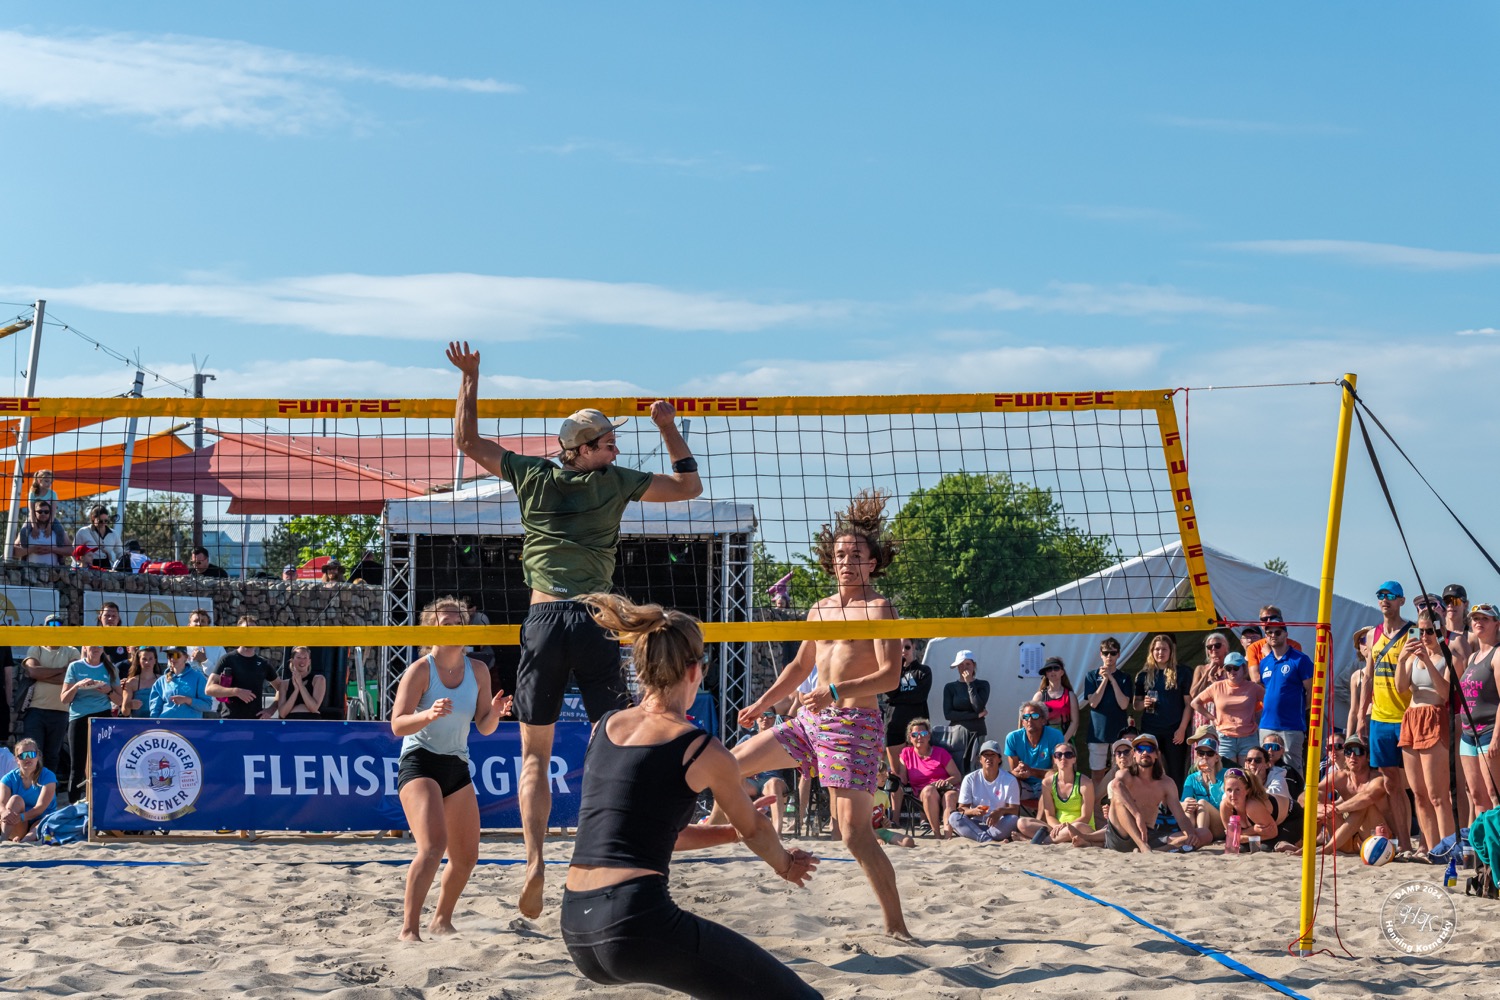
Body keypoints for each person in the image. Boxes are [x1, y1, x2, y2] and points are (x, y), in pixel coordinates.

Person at [449, 340, 702, 920]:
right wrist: (668, 427)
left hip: (543, 623)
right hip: (595, 620)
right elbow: (689, 487)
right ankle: (602, 850)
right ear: (584, 450)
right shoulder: (614, 480)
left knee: (533, 758)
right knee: (610, 746)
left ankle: (535, 857)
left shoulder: (533, 474)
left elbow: (466, 442)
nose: (616, 448)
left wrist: (470, 378)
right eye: (608, 442)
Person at [561, 593, 820, 998]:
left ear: (640, 668)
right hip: (633, 920)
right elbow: (755, 831)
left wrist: (728, 833)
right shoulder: (701, 748)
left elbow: (661, 835)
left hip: (576, 924)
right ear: (696, 670)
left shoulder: (605, 726)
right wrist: (785, 864)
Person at [720, 490, 909, 940]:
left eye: (856, 556)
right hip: (812, 720)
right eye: (840, 555)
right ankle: (719, 836)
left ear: (873, 563)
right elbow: (799, 667)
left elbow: (890, 677)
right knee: (729, 764)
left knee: (854, 835)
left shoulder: (879, 607)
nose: (846, 562)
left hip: (853, 726)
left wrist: (835, 691)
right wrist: (762, 703)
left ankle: (897, 926)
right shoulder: (820, 608)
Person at [391, 597, 512, 942]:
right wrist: (427, 715)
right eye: (447, 624)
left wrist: (495, 713)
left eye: (460, 622)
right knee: (432, 847)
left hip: (456, 764)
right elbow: (397, 725)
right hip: (420, 761)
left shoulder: (478, 670)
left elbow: (484, 727)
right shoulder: (421, 670)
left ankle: (441, 921)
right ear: (432, 629)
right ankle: (409, 930)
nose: (456, 628)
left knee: (466, 857)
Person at [1357, 580, 1415, 853]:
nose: (1385, 599)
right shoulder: (1373, 635)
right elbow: (1368, 676)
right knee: (1391, 783)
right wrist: (1361, 715)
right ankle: (1404, 842)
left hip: (1406, 714)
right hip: (1380, 717)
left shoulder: (1412, 632)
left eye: (1391, 595)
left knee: (1417, 786)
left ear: (1401, 600)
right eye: (1380, 594)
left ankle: (1428, 842)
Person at [1396, 608, 1455, 859]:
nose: (1424, 636)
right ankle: (1432, 849)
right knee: (1418, 794)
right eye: (1420, 631)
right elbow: (1400, 688)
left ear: (1440, 632)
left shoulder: (1447, 657)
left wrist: (1428, 661)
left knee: (1437, 794)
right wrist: (1402, 659)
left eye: (1430, 631)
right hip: (1411, 717)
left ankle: (1448, 849)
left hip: (1434, 716)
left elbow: (1445, 693)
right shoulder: (1412, 658)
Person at [1105, 734, 1208, 853]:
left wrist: (1190, 834)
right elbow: (1115, 785)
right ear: (1134, 754)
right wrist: (1137, 815)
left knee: (1203, 834)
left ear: (1156, 755)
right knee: (1118, 798)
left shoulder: (1166, 783)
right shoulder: (1126, 775)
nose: (1144, 752)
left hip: (1148, 834)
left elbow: (1180, 816)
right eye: (1140, 749)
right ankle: (1143, 847)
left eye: (1149, 749)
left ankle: (1157, 849)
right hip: (1121, 835)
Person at [1254, 613, 1315, 777]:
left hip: (1291, 725)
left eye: (1278, 632)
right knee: (1264, 768)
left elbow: (1312, 691)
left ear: (1286, 634)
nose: (1273, 635)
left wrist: (1301, 709)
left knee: (1292, 770)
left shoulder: (1300, 659)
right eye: (1269, 632)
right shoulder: (1264, 662)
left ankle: (1296, 795)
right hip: (1267, 723)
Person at [20, 620, 78, 778]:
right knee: (32, 752)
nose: (54, 629)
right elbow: (33, 672)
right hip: (35, 710)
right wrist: (61, 670)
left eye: (58, 626)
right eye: (50, 626)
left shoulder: (72, 651)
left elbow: (70, 677)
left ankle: (48, 787)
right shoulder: (36, 648)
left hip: (60, 711)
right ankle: (31, 785)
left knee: (52, 755)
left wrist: (42, 674)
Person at [60, 645, 119, 802]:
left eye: (99, 645)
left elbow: (120, 701)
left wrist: (108, 691)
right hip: (79, 717)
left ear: (103, 648)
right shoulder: (75, 666)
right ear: (85, 647)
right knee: (77, 766)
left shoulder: (111, 668)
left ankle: (99, 805)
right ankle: (73, 806)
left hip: (103, 718)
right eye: (92, 644)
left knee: (102, 765)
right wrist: (77, 686)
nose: (95, 648)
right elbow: (64, 699)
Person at [1018, 741, 1103, 847]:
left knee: (1078, 827)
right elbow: (1049, 815)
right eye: (1058, 755)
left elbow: (1086, 817)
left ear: (1074, 759)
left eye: (1068, 755)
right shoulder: (1047, 783)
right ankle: (1056, 838)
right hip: (1056, 828)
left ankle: (1040, 839)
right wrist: (1058, 826)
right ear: (1054, 759)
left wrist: (1066, 826)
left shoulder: (1085, 783)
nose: (1063, 758)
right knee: (1022, 822)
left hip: (1080, 827)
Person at [1459, 602, 1500, 819]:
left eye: (1485, 618)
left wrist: (1496, 738)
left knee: (1495, 794)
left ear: (1496, 623)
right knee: (1476, 795)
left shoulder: (1497, 655)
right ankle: (1483, 839)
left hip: (1488, 731)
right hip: (1468, 734)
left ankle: (1496, 838)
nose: (1478, 622)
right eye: (1475, 618)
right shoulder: (1472, 657)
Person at [1133, 633, 1191, 785]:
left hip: (1174, 731)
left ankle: (1175, 800)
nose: (1160, 652)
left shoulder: (1182, 673)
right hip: (1150, 730)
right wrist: (1143, 703)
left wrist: (1182, 729)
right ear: (1151, 651)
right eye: (1157, 649)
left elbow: (1188, 704)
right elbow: (1136, 705)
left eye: (1164, 649)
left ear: (1171, 651)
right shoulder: (1143, 675)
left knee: (1175, 772)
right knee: (1149, 769)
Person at [883, 638, 933, 810]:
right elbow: (889, 692)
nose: (903, 651)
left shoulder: (923, 671)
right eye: (899, 648)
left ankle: (924, 815)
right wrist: (897, 667)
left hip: (917, 729)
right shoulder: (892, 672)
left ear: (914, 647)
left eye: (906, 647)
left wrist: (896, 699)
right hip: (895, 727)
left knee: (922, 773)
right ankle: (896, 817)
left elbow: (920, 696)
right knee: (896, 775)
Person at [1188, 651, 1262, 764]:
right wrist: (1212, 718)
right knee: (1226, 772)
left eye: (1235, 668)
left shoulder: (1253, 687)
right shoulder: (1217, 686)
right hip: (1224, 737)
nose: (1232, 671)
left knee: (1249, 772)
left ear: (1244, 668)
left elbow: (1271, 702)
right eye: (1228, 668)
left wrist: (1261, 717)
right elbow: (1195, 703)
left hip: (1249, 737)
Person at [896, 717, 962, 839]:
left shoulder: (940, 753)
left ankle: (948, 836)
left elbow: (957, 776)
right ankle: (937, 835)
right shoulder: (906, 753)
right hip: (925, 794)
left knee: (949, 796)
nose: (919, 737)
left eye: (923, 733)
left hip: (946, 787)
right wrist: (894, 775)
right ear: (910, 738)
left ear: (929, 736)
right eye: (914, 734)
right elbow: (903, 779)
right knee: (928, 791)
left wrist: (945, 781)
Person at [947, 739, 1021, 843]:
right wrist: (973, 811)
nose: (989, 758)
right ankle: (989, 840)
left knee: (1013, 819)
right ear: (980, 759)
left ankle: (980, 837)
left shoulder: (1010, 780)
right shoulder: (970, 778)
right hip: (975, 824)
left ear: (999, 759)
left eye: (993, 755)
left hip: (998, 825)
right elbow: (961, 809)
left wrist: (1000, 812)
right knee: (954, 817)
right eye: (986, 755)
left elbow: (1015, 810)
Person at [206, 617, 277, 720]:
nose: (249, 634)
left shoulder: (263, 663)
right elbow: (209, 688)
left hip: (255, 721)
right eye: (246, 631)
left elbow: (281, 687)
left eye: (253, 631)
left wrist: (271, 710)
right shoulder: (227, 659)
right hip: (230, 721)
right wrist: (236, 691)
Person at [1081, 638, 1132, 775]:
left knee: (1120, 772)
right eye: (1106, 653)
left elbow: (1123, 704)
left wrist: (1112, 679)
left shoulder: (1124, 677)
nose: (1109, 656)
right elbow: (1093, 703)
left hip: (1119, 732)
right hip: (1098, 733)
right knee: (1097, 773)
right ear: (1101, 654)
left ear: (1118, 654)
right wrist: (1104, 680)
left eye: (1113, 653)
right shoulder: (1091, 676)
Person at [1003, 699, 1066, 807]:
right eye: (1026, 717)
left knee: (1056, 780)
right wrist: (1020, 771)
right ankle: (1010, 815)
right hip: (1024, 785)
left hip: (1047, 783)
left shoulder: (1055, 736)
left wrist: (1031, 771)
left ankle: (1047, 817)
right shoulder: (1012, 738)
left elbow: (1058, 772)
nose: (1030, 720)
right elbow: (1014, 772)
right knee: (1006, 781)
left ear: (1044, 720)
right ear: (1022, 722)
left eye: (1035, 716)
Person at [1, 738, 57, 841]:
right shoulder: (8, 778)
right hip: (17, 823)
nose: (27, 758)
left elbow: (40, 808)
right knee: (15, 800)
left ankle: (22, 841)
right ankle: (3, 840)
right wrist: (4, 812)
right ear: (17, 760)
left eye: (31, 754)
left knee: (41, 826)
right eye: (22, 755)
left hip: (41, 819)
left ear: (38, 756)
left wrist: (21, 817)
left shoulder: (48, 776)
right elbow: (1, 803)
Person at [942, 649, 989, 768]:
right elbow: (948, 714)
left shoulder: (983, 685)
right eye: (961, 665)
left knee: (975, 767)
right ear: (957, 667)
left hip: (977, 732)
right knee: (958, 767)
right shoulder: (950, 687)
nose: (964, 667)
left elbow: (978, 707)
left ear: (974, 665)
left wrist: (969, 683)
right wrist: (974, 716)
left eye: (968, 664)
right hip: (956, 734)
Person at [1219, 767, 1279, 851]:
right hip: (1266, 830)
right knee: (1241, 848)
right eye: (1229, 790)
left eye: (1237, 790)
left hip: (1289, 819)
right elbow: (1232, 837)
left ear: (1247, 790)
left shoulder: (1252, 806)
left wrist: (1245, 838)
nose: (1233, 795)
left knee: (1265, 848)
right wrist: (1254, 830)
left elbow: (1273, 833)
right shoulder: (1225, 806)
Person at [1180, 738, 1227, 842]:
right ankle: (1189, 836)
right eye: (1201, 753)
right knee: (1189, 801)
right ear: (1197, 756)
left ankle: (1200, 837)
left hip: (1220, 824)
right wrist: (1185, 804)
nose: (1205, 757)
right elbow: (1182, 803)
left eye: (1210, 753)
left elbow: (1222, 804)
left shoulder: (1226, 775)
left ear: (1216, 758)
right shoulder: (1192, 778)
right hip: (1198, 820)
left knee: (1202, 803)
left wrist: (1212, 780)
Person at [148, 647, 214, 718]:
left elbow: (207, 705)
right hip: (166, 723)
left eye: (176, 655)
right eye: (170, 655)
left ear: (186, 657)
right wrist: (154, 722)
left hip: (190, 724)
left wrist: (187, 700)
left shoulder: (198, 677)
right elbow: (155, 709)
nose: (172, 659)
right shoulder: (161, 681)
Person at [1187, 633, 1231, 737]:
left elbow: (1230, 693)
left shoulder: (1231, 669)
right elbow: (1193, 695)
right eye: (1209, 647)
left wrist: (1213, 679)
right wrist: (1207, 673)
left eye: (1217, 645)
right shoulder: (1200, 669)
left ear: (1226, 648)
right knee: (1203, 744)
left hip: (1223, 714)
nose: (1213, 649)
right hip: (1203, 714)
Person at [1243, 605, 1303, 673]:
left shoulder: (1294, 645)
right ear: (1260, 623)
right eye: (1264, 619)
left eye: (1272, 618)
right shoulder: (1253, 648)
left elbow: (1291, 673)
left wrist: (1269, 655)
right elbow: (1255, 677)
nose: (1268, 621)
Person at [275, 646, 327, 720]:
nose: (302, 661)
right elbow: (282, 713)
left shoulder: (318, 679)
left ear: (309, 661)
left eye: (305, 658)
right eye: (298, 657)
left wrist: (300, 685)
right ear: (292, 661)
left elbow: (313, 708)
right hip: (291, 721)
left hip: (311, 720)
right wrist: (296, 690)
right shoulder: (284, 684)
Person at [13, 500, 70, 565]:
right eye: (40, 512)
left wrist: (51, 549)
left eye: (46, 512)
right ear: (34, 513)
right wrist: (32, 550)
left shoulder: (59, 532)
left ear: (50, 514)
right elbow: (13, 551)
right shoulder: (26, 532)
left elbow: (71, 551)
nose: (43, 514)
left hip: (53, 570)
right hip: (30, 570)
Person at [1036, 656, 1078, 743]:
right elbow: (1032, 718)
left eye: (1056, 668)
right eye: (1049, 669)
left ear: (1062, 672)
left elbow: (1075, 722)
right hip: (1044, 740)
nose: (1053, 671)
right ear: (1046, 674)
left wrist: (1063, 740)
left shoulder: (1070, 695)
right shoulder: (1039, 696)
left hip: (1065, 740)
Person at [1344, 627, 1374, 737]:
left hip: (1382, 721)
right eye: (1363, 640)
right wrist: (1348, 738)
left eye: (1370, 639)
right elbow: (1353, 711)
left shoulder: (1386, 670)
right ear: (1359, 647)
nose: (1367, 643)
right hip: (1362, 725)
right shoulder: (1356, 676)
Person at [73, 504, 122, 569]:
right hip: (88, 566)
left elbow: (120, 553)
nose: (103, 523)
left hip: (106, 566)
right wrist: (82, 566)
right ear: (93, 518)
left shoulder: (114, 534)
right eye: (100, 521)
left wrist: (125, 557)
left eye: (106, 521)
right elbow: (74, 552)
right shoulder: (83, 532)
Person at [119, 646, 161, 718]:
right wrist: (129, 705)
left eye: (150, 659)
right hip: (138, 723)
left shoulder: (162, 680)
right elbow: (125, 712)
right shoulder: (131, 683)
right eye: (144, 659)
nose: (147, 662)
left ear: (155, 660)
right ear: (138, 661)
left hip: (159, 723)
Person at [185, 608, 226, 676]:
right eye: (196, 621)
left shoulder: (218, 648)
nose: (199, 624)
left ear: (208, 627)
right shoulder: (181, 646)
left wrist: (204, 660)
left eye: (203, 621)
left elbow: (223, 675)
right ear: (189, 626)